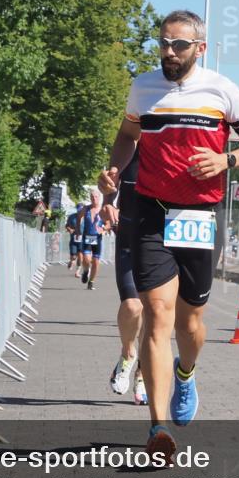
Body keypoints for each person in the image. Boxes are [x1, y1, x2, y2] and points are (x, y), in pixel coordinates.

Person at [99, 9, 239, 463]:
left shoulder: (222, 90)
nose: (169, 52)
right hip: (151, 212)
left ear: (200, 48)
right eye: (163, 43)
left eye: (179, 45)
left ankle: (187, 372)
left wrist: (227, 161)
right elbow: (127, 135)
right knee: (157, 314)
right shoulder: (144, 86)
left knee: (190, 322)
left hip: (199, 216)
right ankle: (157, 428)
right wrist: (114, 168)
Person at [101, 149, 147, 406]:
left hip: (164, 243)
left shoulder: (176, 147)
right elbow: (109, 183)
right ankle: (128, 354)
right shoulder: (130, 148)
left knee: (154, 311)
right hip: (129, 238)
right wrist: (108, 203)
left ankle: (142, 373)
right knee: (132, 305)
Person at [78, 190, 107, 291]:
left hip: (97, 238)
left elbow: (109, 223)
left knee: (96, 262)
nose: (94, 199)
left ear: (99, 197)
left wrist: (104, 229)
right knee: (86, 259)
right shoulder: (85, 209)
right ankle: (86, 271)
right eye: (92, 197)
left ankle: (91, 282)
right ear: (90, 198)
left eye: (96, 197)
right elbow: (79, 217)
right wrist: (77, 230)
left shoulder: (103, 209)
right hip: (87, 237)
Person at [66, 203, 83, 273]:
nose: (80, 211)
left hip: (82, 240)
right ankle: (71, 261)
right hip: (74, 239)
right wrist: (69, 229)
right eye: (79, 209)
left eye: (81, 209)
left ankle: (78, 271)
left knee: (80, 256)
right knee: (73, 257)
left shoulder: (86, 217)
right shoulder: (71, 217)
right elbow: (67, 225)